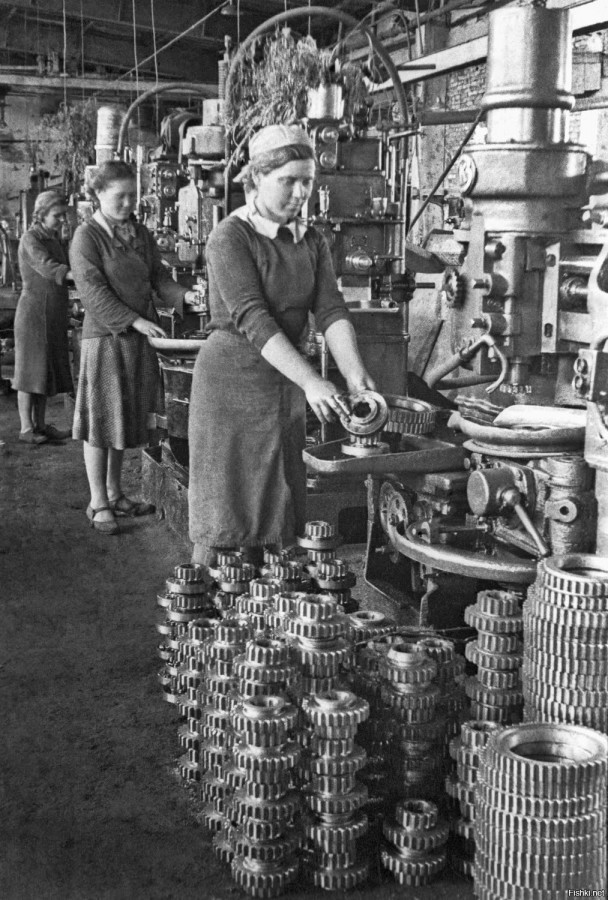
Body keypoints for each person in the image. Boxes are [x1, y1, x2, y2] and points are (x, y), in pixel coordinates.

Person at [188, 124, 375, 566]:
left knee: (277, 514)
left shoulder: (311, 240)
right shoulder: (230, 237)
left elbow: (330, 309)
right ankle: (201, 601)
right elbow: (253, 319)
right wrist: (312, 381)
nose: (299, 193)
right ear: (257, 177)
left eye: (307, 181)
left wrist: (354, 374)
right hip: (232, 385)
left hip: (283, 384)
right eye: (287, 181)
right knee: (226, 517)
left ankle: (265, 605)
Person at [70, 160, 192, 535]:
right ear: (98, 195)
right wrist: (135, 320)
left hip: (138, 340)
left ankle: (115, 492)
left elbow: (159, 278)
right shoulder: (87, 237)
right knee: (101, 421)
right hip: (106, 339)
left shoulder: (139, 233)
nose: (128, 203)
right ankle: (98, 502)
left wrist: (188, 298)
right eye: (119, 196)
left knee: (122, 418)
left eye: (132, 196)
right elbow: (93, 293)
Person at [13, 190, 73, 444]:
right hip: (34, 313)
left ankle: (39, 425)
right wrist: (80, 276)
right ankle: (26, 429)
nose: (62, 220)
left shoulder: (53, 238)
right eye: (57, 215)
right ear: (41, 214)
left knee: (44, 372)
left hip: (52, 313)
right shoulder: (31, 238)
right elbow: (48, 267)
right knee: (28, 372)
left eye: (63, 215)